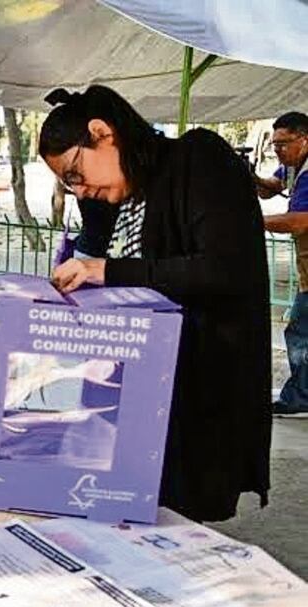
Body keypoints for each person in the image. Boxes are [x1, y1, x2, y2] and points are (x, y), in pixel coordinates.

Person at [40, 85, 271, 523]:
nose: (80, 190)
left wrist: (106, 270)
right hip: (134, 402)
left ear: (102, 132)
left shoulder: (198, 159)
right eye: (69, 184)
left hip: (196, 397)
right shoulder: (121, 196)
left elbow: (224, 270)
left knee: (173, 523)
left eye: (75, 172)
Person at [256, 112, 308, 416]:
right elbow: (269, 188)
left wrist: (253, 222)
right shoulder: (293, 166)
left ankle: (299, 397)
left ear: (304, 140)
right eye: (274, 145)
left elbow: (299, 221)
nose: (278, 151)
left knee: (299, 332)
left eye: (283, 144)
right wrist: (246, 175)